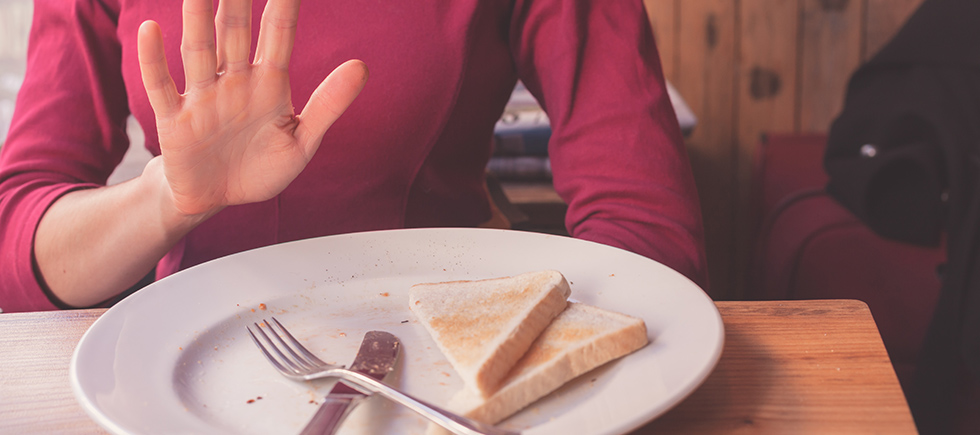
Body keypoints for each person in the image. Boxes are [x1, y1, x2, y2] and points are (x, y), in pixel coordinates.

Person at [0, 0, 707, 312]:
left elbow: (651, 237)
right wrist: (166, 200)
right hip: (184, 365)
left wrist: (498, 356)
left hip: (448, 370)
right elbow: (15, 244)